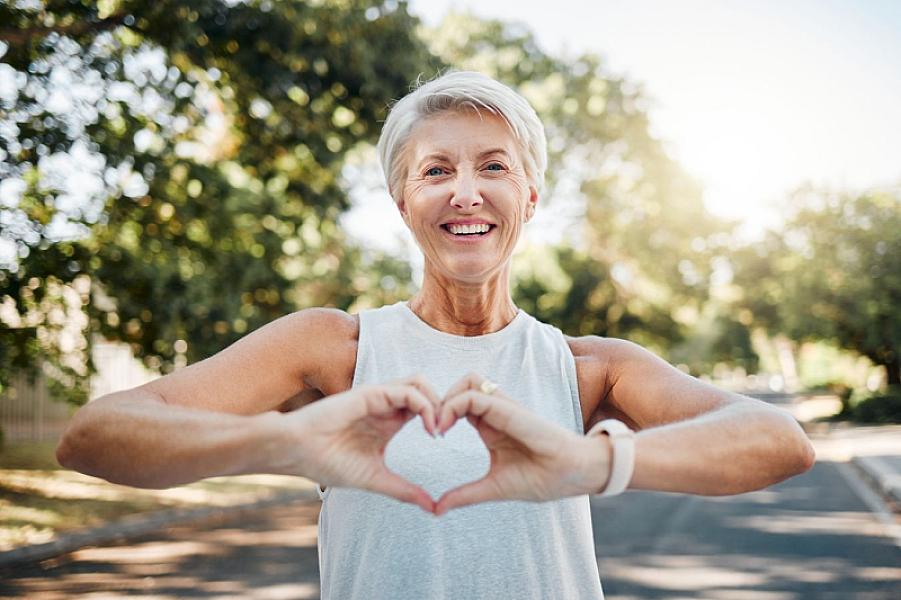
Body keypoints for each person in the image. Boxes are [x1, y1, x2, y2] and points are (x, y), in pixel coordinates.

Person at [57, 71, 816, 599]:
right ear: (402, 201)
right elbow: (93, 436)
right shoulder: (332, 349)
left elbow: (777, 440)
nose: (465, 190)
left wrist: (588, 461)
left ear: (527, 195)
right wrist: (280, 445)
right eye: (435, 170)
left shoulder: (589, 368)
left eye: (493, 166)